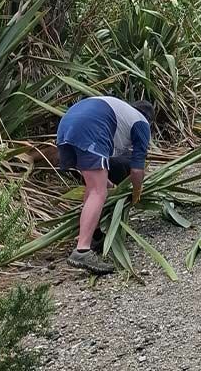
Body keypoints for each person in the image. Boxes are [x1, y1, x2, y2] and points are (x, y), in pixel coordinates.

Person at [56, 96, 154, 274]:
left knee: (93, 187)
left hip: (66, 125)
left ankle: (91, 235)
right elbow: (137, 171)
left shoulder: (122, 115)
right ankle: (82, 250)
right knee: (97, 192)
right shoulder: (141, 123)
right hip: (90, 126)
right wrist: (137, 193)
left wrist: (110, 185)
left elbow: (94, 172)